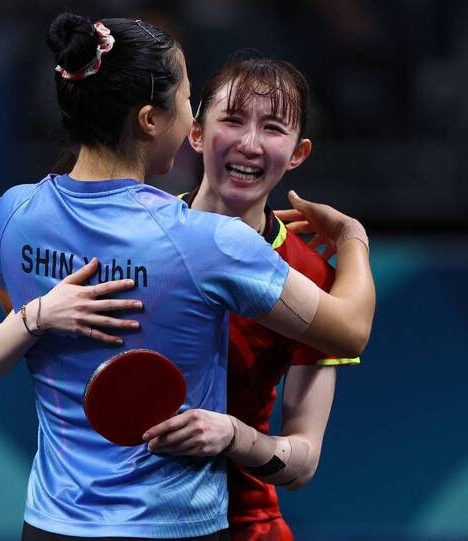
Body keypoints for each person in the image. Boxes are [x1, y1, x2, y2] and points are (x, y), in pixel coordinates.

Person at [0, 12, 374, 541]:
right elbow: (350, 328)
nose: (192, 120)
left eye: (273, 127)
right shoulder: (207, 243)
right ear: (151, 121)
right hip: (177, 526)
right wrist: (354, 239)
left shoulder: (12, 214)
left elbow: (14, 316)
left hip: (51, 523)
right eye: (189, 103)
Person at [141, 55, 361, 541]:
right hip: (123, 518)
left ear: (299, 152)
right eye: (233, 120)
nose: (249, 143)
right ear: (196, 134)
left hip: (243, 526)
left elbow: (303, 462)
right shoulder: (138, 236)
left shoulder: (310, 277)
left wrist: (236, 438)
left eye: (273, 128)